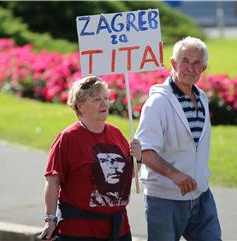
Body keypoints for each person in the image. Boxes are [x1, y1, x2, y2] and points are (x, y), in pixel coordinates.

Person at [135, 36, 222, 241]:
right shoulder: (158, 102)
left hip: (200, 194)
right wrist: (175, 175)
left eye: (196, 63)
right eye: (185, 61)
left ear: (203, 68)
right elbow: (145, 151)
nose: (190, 67)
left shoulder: (201, 97)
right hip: (165, 198)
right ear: (173, 63)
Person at [40, 76, 142, 241]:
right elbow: (53, 180)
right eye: (97, 99)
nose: (104, 103)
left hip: (119, 230)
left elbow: (127, 176)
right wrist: (50, 219)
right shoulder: (68, 138)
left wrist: (138, 160)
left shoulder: (116, 133)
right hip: (80, 232)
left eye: (106, 99)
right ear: (80, 106)